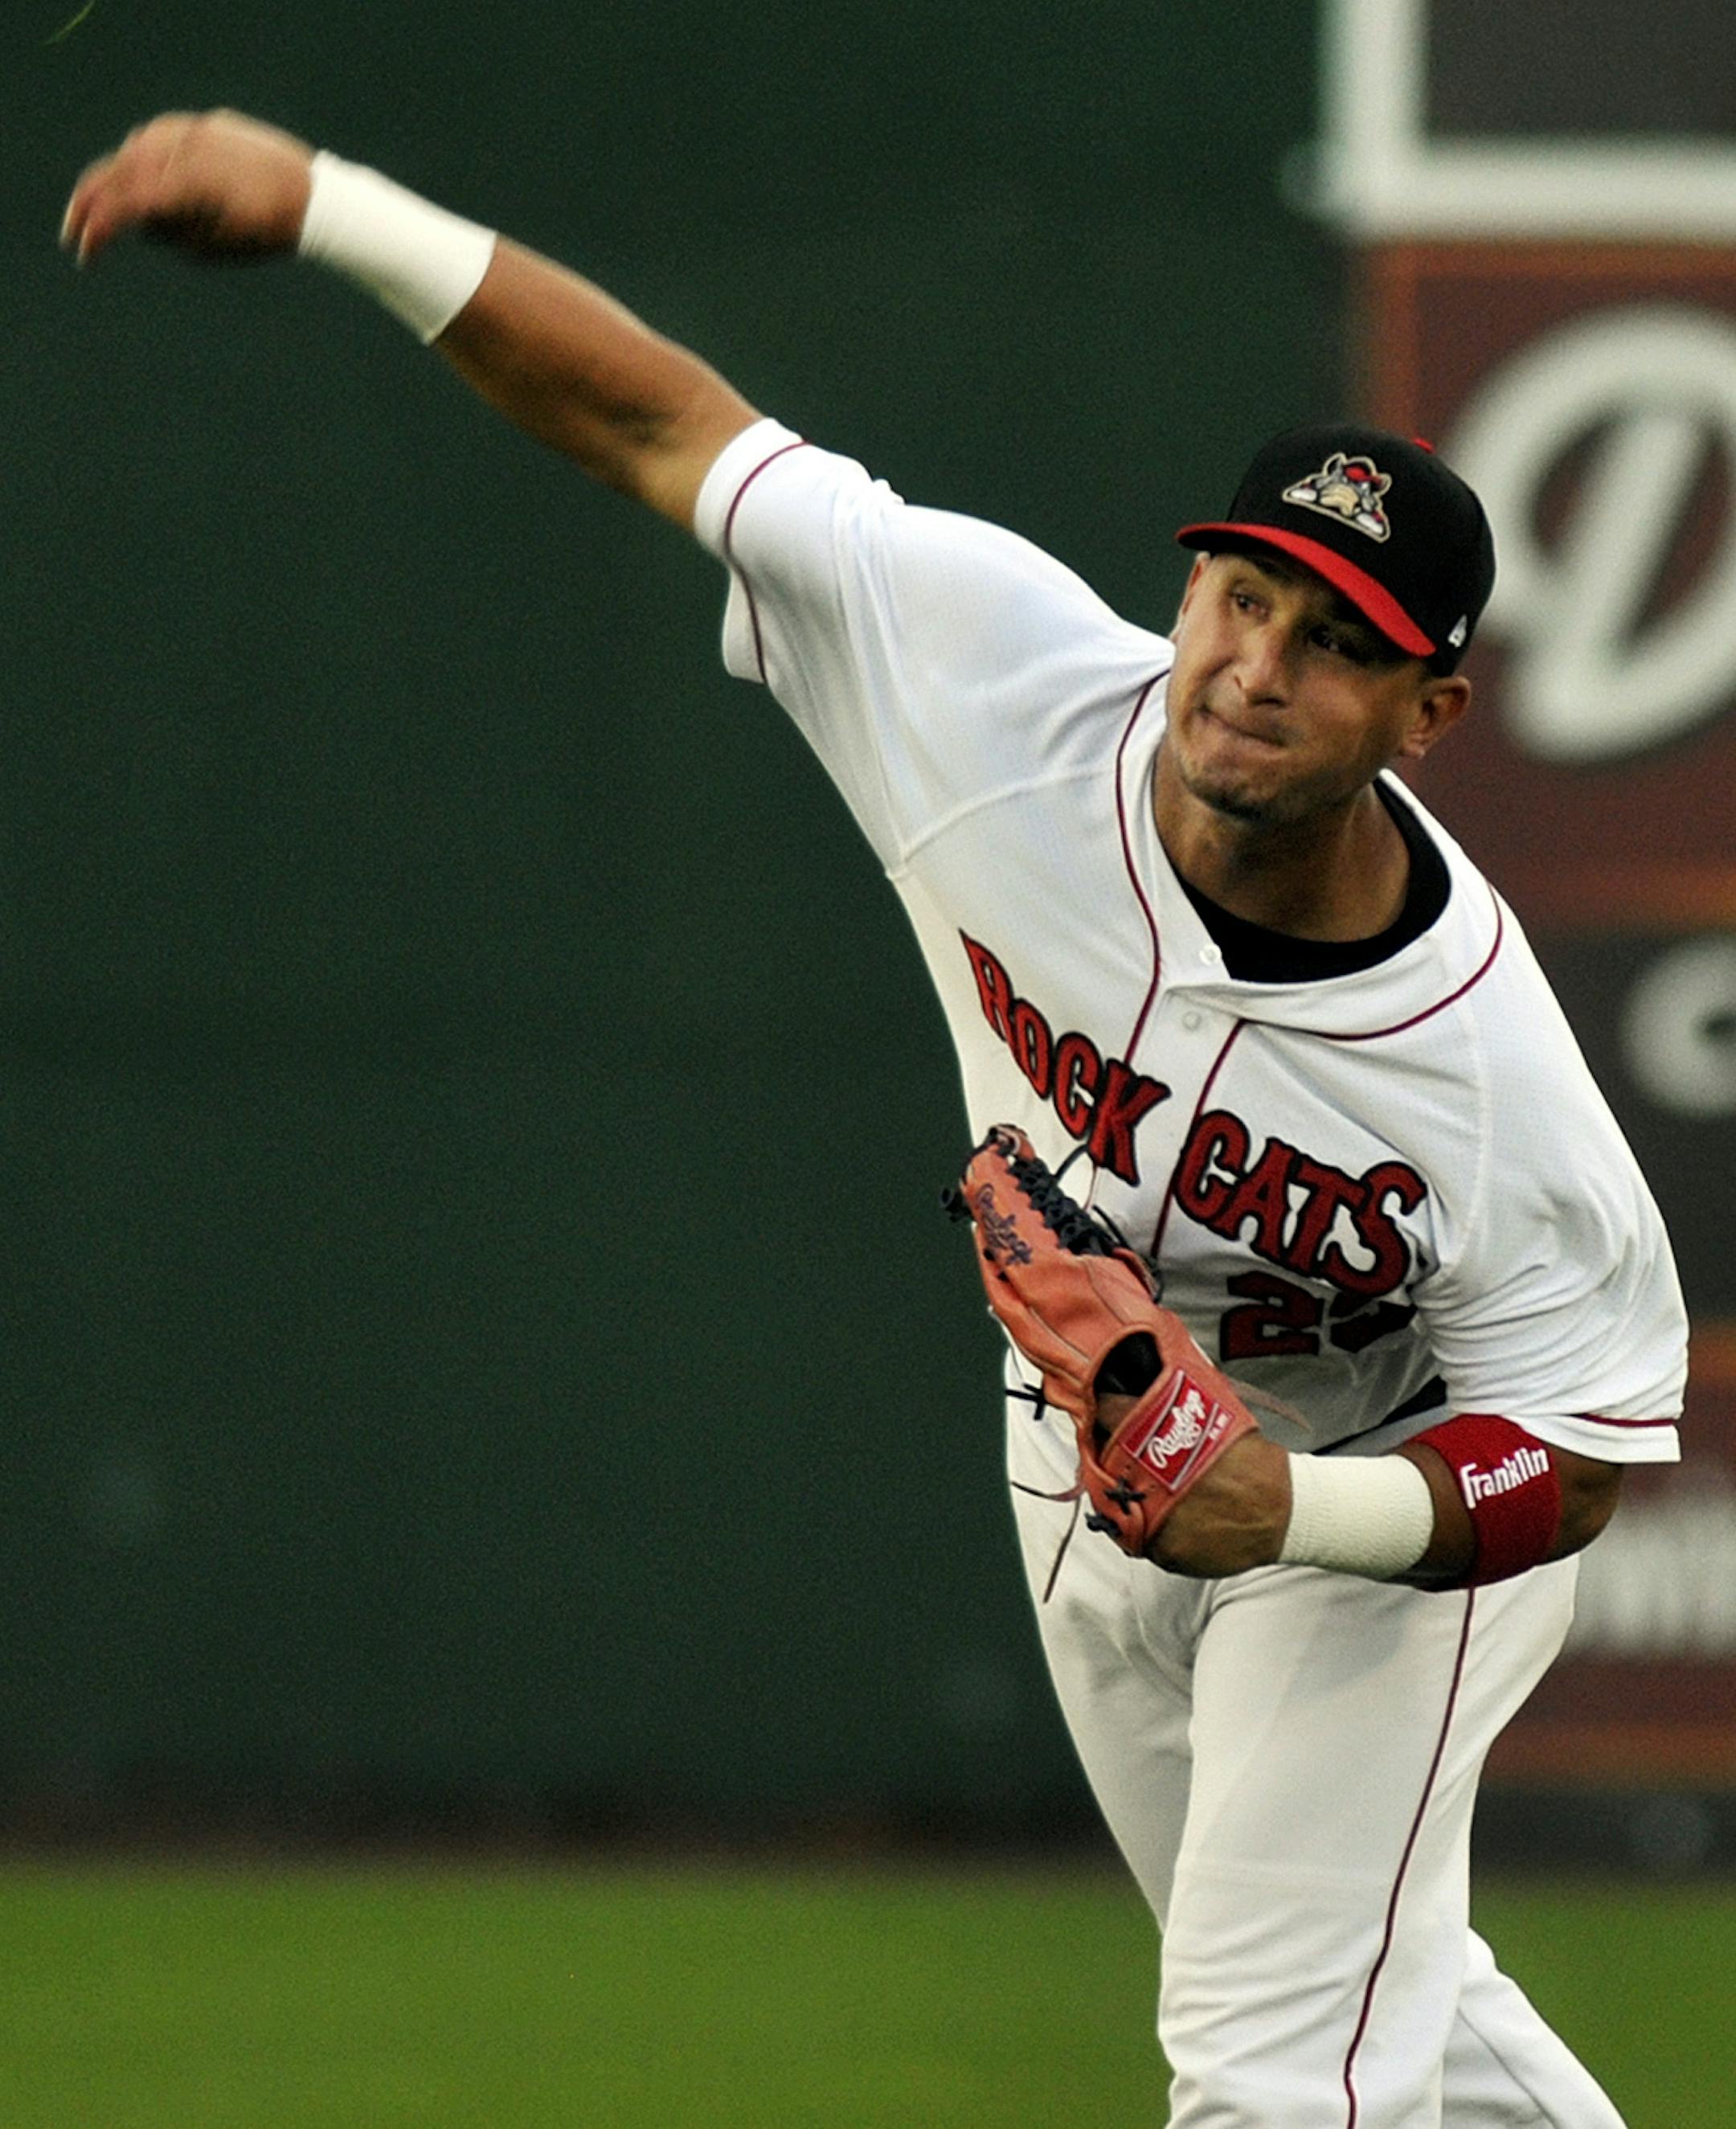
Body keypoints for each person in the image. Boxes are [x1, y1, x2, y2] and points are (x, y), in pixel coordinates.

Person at [63, 112, 1688, 2127]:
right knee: (1375, 1999)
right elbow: (666, 430)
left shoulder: (1488, 1071)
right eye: (1245, 597)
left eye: (1339, 643)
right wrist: (329, 206)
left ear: (1428, 713)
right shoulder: (992, 679)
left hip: (1369, 1503)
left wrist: (1305, 1511)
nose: (1257, 668)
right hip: (1077, 1448)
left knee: (1268, 2067)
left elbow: (1594, 1450)